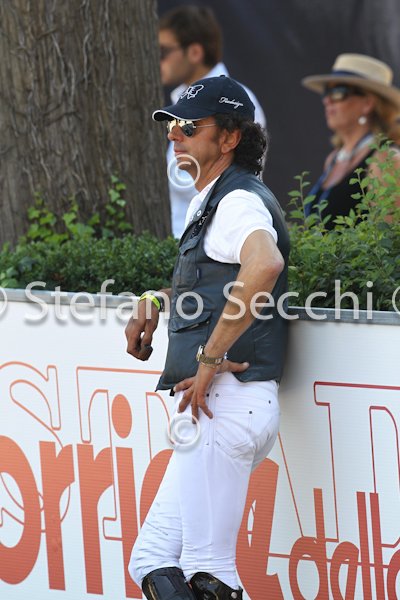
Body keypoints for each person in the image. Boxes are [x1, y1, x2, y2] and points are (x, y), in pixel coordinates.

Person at [125, 75, 289, 599]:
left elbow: (264, 264)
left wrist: (210, 357)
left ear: (230, 138)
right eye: (172, 125)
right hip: (222, 407)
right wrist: (156, 299)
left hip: (227, 403)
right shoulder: (217, 198)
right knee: (152, 559)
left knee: (209, 572)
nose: (174, 134)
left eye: (190, 127)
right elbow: (214, 286)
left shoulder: (237, 201)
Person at [159, 5, 266, 238]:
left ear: (195, 52)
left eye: (163, 51)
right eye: (173, 124)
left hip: (216, 243)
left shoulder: (238, 103)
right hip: (187, 245)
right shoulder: (181, 99)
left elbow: (241, 181)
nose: (173, 134)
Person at [301, 53, 400, 227]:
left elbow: (391, 236)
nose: (327, 100)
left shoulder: (385, 159)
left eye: (338, 92)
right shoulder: (333, 159)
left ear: (368, 103)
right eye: (326, 92)